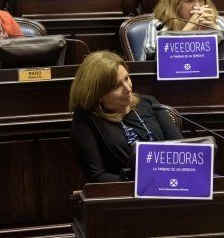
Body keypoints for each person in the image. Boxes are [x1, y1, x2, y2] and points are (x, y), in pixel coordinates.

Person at [70, 51, 183, 183]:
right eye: (117, 86)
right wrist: (140, 182)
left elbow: (182, 148)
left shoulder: (149, 103)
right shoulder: (86, 120)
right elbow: (97, 176)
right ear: (98, 94)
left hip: (171, 183)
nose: (128, 89)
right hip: (126, 192)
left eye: (126, 78)